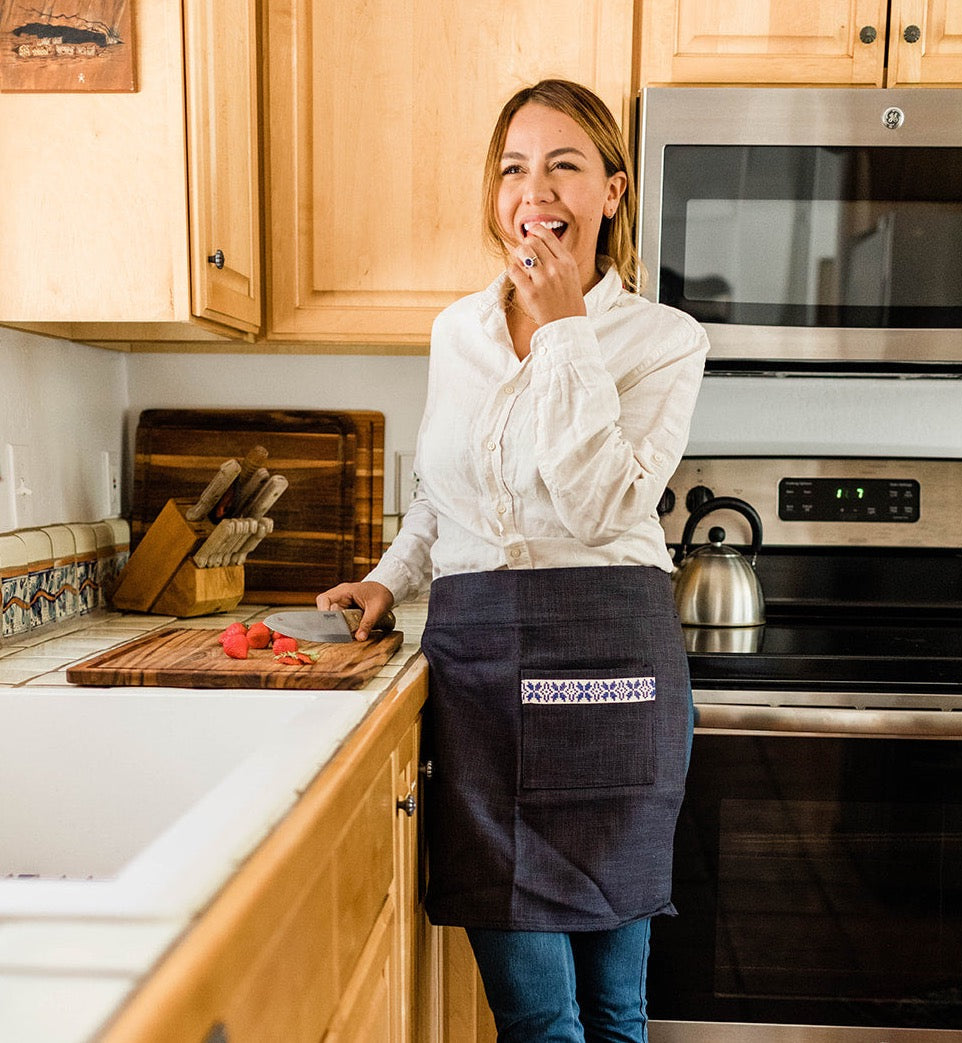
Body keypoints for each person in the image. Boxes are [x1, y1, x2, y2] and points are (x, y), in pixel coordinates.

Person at [317, 78, 708, 1043]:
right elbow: (442, 494)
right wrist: (388, 577)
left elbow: (594, 502)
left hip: (612, 655)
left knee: (615, 1013)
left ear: (612, 191)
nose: (534, 190)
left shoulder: (664, 341)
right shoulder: (457, 332)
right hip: (480, 667)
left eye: (564, 166)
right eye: (514, 168)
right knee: (537, 1016)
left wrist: (567, 326)